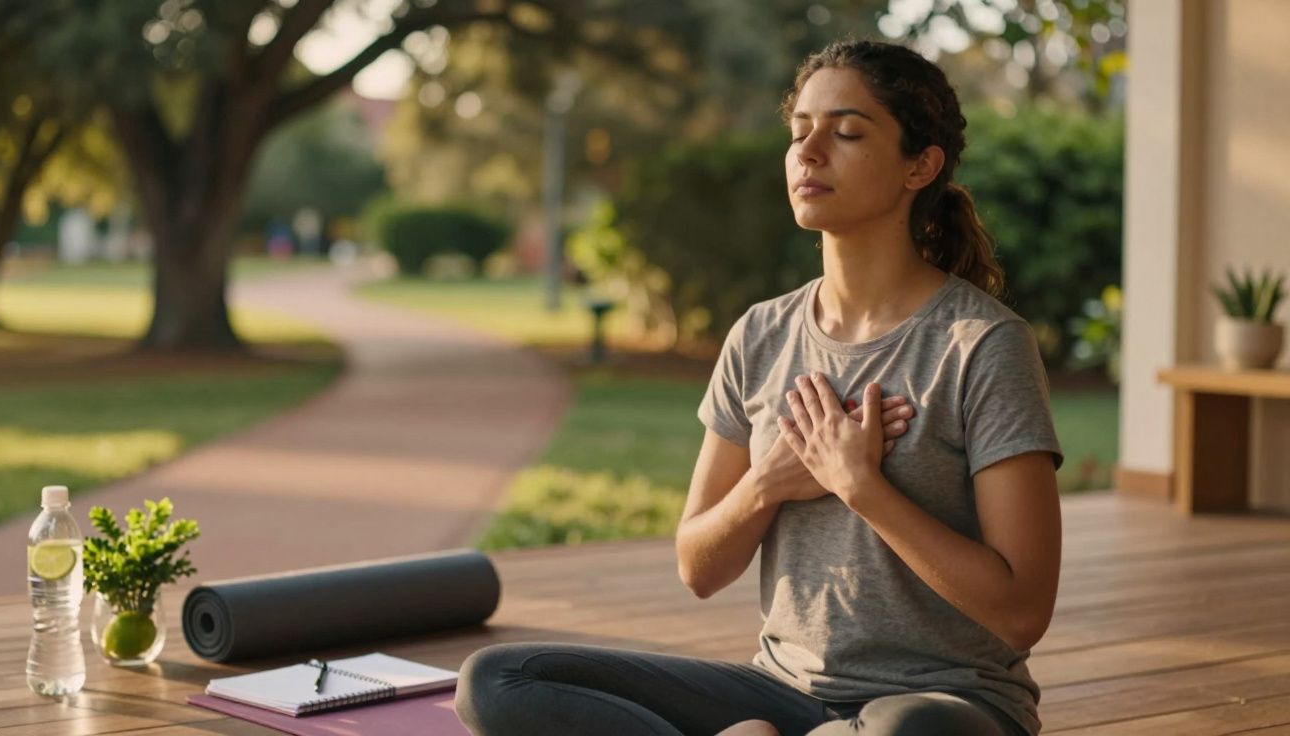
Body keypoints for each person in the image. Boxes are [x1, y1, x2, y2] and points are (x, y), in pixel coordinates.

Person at [454, 37, 1063, 736]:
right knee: (499, 680)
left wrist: (859, 485)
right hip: (784, 691)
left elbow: (1023, 612)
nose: (809, 153)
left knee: (908, 732)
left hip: (948, 704)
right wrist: (766, 484)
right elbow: (698, 567)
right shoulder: (762, 334)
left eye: (847, 132)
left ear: (919, 165)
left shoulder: (982, 344)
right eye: (799, 132)